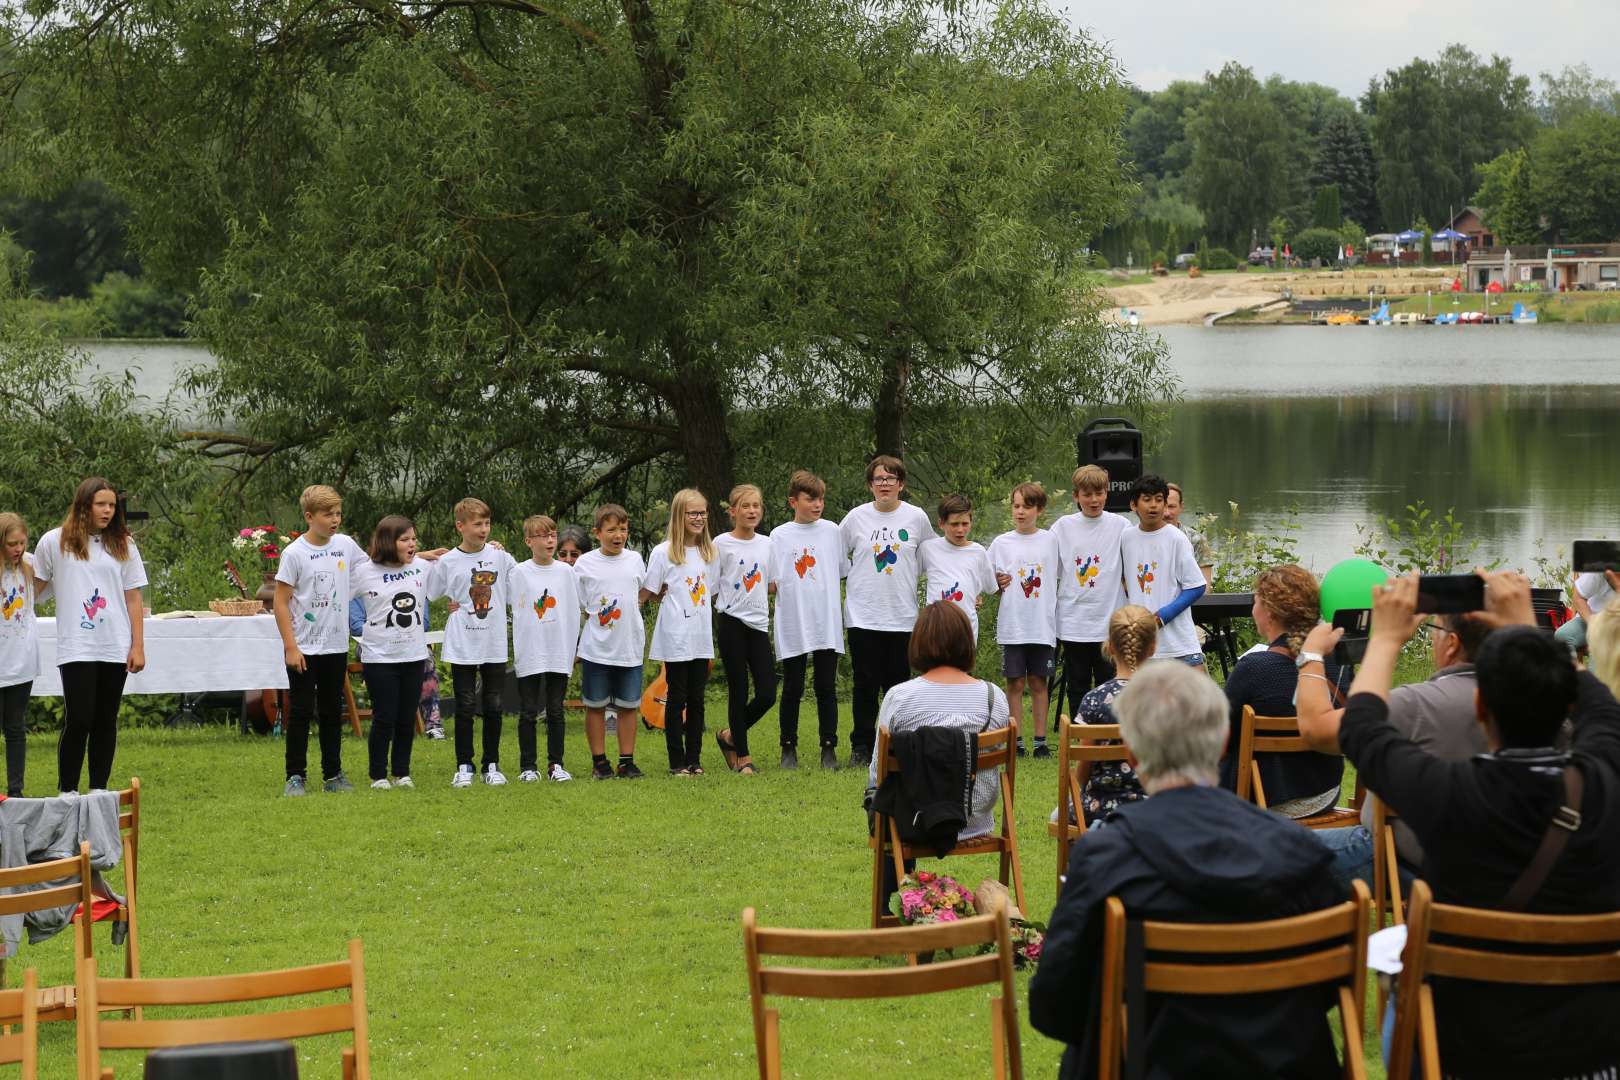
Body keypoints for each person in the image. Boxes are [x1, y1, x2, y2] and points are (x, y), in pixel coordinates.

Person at [1328, 571, 1620, 1080]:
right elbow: (1604, 712)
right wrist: (1527, 627)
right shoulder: (1603, 779)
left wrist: (1386, 639)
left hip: (1467, 1058)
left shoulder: (1449, 795)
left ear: (1482, 708)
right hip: (1592, 1061)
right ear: (1564, 709)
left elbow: (1362, 728)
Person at [1028, 662, 1343, 1080]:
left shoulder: (1103, 858)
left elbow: (1055, 1007)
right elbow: (1331, 985)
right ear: (1225, 743)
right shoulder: (1299, 853)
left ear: (1133, 753)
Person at [1296, 608, 1493, 894]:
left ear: (1451, 643)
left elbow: (1317, 730)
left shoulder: (1418, 704)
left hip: (1401, 861)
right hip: (1489, 865)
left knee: (1278, 847)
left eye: (1434, 632)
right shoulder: (1530, 699)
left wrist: (1311, 655)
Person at [863, 601, 1010, 840]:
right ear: (967, 641)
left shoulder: (900, 697)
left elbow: (877, 772)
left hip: (912, 818)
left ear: (918, 642)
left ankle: (900, 874)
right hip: (974, 816)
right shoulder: (993, 697)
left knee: (884, 794)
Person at [1220, 564, 1349, 818]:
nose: (1252, 609)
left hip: (1262, 796)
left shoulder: (1253, 668)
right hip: (1325, 792)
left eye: (1255, 601)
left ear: (1269, 613)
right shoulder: (1337, 662)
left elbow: (1219, 735)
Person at [839, 455, 936, 768]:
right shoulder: (855, 518)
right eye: (879, 479)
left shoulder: (917, 518)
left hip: (902, 616)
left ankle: (896, 744)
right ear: (870, 485)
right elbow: (838, 560)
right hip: (863, 615)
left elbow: (933, 559)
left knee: (898, 685)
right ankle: (862, 746)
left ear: (901, 484)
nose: (884, 484)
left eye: (890, 479)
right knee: (865, 683)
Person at [273, 483, 365, 796]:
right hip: (303, 648)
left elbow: (374, 568)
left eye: (338, 513)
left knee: (331, 710)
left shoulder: (346, 545)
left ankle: (333, 774)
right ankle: (295, 776)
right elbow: (281, 602)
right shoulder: (294, 553)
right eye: (328, 514)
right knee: (300, 710)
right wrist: (291, 647)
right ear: (310, 517)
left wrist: (416, 557)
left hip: (335, 646)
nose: (335, 519)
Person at [429, 497, 518, 788]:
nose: (483, 529)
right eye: (477, 524)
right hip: (462, 642)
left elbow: (520, 583)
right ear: (460, 526)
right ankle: (464, 765)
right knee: (465, 704)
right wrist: (453, 604)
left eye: (487, 523)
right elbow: (432, 593)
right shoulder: (448, 561)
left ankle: (491, 765)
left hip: (493, 641)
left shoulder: (500, 557)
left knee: (493, 704)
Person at [770, 470, 847, 771]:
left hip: (825, 620)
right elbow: (772, 579)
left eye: (821, 499)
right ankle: (788, 747)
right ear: (793, 501)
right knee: (793, 686)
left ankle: (829, 748)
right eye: (810, 498)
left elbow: (841, 570)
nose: (817, 504)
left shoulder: (832, 531)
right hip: (794, 620)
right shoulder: (779, 535)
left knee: (826, 686)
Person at [640, 489, 719, 776]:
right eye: (693, 513)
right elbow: (649, 591)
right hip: (675, 635)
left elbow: (713, 591)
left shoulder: (709, 553)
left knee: (697, 699)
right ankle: (677, 762)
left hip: (700, 635)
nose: (699, 518)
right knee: (677, 696)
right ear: (679, 516)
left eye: (702, 513)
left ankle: (694, 759)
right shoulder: (663, 553)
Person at [351, 515, 431, 790]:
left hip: (413, 655)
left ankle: (401, 772)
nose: (412, 544)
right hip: (379, 657)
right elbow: (338, 598)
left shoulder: (422, 567)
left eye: (413, 539)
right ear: (388, 542)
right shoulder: (364, 571)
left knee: (407, 716)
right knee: (384, 716)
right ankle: (378, 775)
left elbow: (457, 575)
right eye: (405, 539)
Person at [573, 503, 647, 780]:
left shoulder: (635, 560)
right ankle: (600, 762)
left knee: (628, 706)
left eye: (623, 529)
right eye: (612, 530)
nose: (618, 535)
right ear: (597, 532)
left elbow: (641, 593)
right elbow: (578, 604)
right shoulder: (584, 564)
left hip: (629, 646)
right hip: (596, 649)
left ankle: (626, 761)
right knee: (596, 705)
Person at [988, 482, 1060, 757]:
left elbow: (1065, 576)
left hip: (1042, 626)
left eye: (1027, 507)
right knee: (1015, 683)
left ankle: (1040, 742)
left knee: (1039, 683)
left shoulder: (1051, 540)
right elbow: (987, 581)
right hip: (1013, 626)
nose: (1020, 512)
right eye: (1016, 506)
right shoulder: (1001, 543)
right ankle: (1015, 740)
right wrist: (995, 583)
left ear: (1039, 510)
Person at [1051, 465, 1129, 720]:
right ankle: (1078, 732)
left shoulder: (1121, 525)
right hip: (1074, 621)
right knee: (1078, 682)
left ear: (1107, 493)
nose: (1093, 500)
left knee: (1109, 680)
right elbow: (1045, 566)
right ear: (1075, 496)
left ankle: (1108, 731)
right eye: (1087, 494)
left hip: (1110, 621)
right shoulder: (1062, 527)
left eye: (1099, 493)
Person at [509, 515, 580, 783]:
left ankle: (556, 764)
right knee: (528, 710)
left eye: (553, 534)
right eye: (542, 536)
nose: (550, 540)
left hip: (558, 649)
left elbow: (577, 608)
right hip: (530, 649)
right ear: (529, 541)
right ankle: (528, 766)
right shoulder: (518, 572)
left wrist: (574, 646)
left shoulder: (567, 572)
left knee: (555, 709)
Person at [1070, 606, 1156, 825]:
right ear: (1153, 648)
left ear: (1109, 647)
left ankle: (1084, 858)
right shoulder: (1166, 698)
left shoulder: (1094, 700)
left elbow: (1082, 771)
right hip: (1155, 807)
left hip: (1098, 808)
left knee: (1058, 815)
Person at [713, 484, 775, 774]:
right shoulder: (720, 544)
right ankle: (744, 757)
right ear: (733, 511)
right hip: (731, 622)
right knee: (738, 689)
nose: (752, 511)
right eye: (746, 506)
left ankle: (729, 736)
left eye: (756, 506)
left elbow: (772, 583)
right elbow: (712, 586)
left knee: (767, 693)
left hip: (759, 624)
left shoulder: (767, 544)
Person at [1118, 474, 1206, 666]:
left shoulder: (1176, 539)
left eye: (1159, 500)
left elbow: (1196, 586)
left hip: (1178, 642)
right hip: (1141, 640)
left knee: (1191, 696)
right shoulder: (1126, 537)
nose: (1154, 505)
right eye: (1147, 499)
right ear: (1134, 505)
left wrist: (1162, 617)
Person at [918, 494, 995, 643]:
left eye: (965, 523)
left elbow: (990, 587)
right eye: (954, 524)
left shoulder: (978, 552)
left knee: (961, 667)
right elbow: (908, 574)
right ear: (941, 523)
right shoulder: (927, 548)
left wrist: (976, 595)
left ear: (971, 522)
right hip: (935, 630)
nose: (960, 529)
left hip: (966, 631)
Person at [0, 513, 40, 796]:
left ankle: (16, 791)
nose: (18, 549)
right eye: (12, 544)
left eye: (22, 543)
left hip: (21, 662)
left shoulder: (30, 565)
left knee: (15, 728)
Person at [1164, 482, 1215, 586]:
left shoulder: (1196, 540)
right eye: (1163, 506)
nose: (1167, 513)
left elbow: (1205, 587)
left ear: (1181, 507)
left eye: (1171, 507)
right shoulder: (1140, 538)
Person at [1555, 568, 1614, 656]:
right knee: (1562, 636)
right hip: (1592, 617)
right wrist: (1593, 624)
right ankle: (1573, 669)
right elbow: (1578, 598)